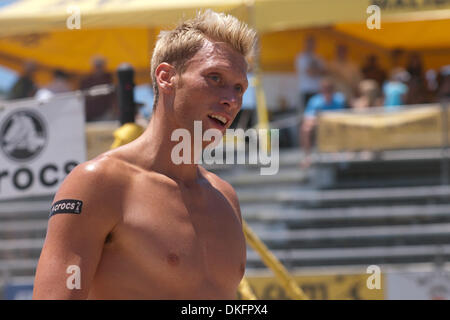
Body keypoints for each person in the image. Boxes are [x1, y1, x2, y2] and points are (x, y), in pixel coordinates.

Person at [33, 10, 257, 300]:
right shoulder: (100, 183)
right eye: (215, 78)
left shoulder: (225, 197)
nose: (232, 99)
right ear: (166, 78)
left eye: (239, 87)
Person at [299, 78, 346, 168]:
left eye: (329, 89)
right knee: (306, 128)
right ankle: (307, 156)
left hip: (336, 126)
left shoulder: (339, 99)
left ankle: (338, 154)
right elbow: (308, 117)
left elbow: (343, 115)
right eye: (325, 89)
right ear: (321, 90)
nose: (327, 91)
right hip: (320, 126)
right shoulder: (315, 101)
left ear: (333, 90)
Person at [79, 56, 116, 121]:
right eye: (97, 66)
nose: (99, 69)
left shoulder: (108, 80)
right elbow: (83, 96)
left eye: (100, 66)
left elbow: (113, 97)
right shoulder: (87, 81)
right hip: (90, 114)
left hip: (105, 114)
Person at [295, 35, 326, 112]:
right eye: (309, 43)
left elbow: (325, 71)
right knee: (308, 114)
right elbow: (310, 73)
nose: (311, 45)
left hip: (318, 90)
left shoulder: (319, 57)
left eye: (313, 43)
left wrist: (316, 71)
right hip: (306, 90)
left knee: (318, 113)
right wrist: (318, 71)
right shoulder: (301, 57)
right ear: (305, 44)